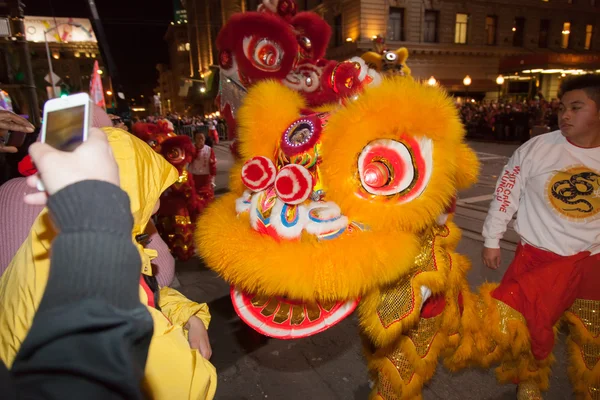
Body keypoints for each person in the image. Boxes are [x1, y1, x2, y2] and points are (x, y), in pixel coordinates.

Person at [0, 126, 217, 400]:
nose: (158, 201)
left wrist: (188, 313)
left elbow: (148, 292)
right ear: (129, 187)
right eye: (150, 185)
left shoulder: (62, 236)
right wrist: (200, 363)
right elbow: (182, 386)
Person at [481, 74, 600, 398]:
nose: (565, 115)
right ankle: (529, 383)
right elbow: (507, 193)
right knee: (527, 332)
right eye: (563, 108)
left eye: (576, 108)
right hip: (537, 258)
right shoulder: (537, 148)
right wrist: (492, 238)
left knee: (592, 338)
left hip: (591, 262)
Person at [189, 132, 217, 209]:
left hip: (205, 178)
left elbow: (213, 165)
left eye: (202, 138)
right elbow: (188, 160)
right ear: (194, 139)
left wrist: (212, 179)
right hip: (194, 177)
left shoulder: (209, 150)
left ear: (204, 139)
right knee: (194, 199)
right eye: (198, 138)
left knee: (207, 199)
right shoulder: (191, 149)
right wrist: (196, 150)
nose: (200, 140)